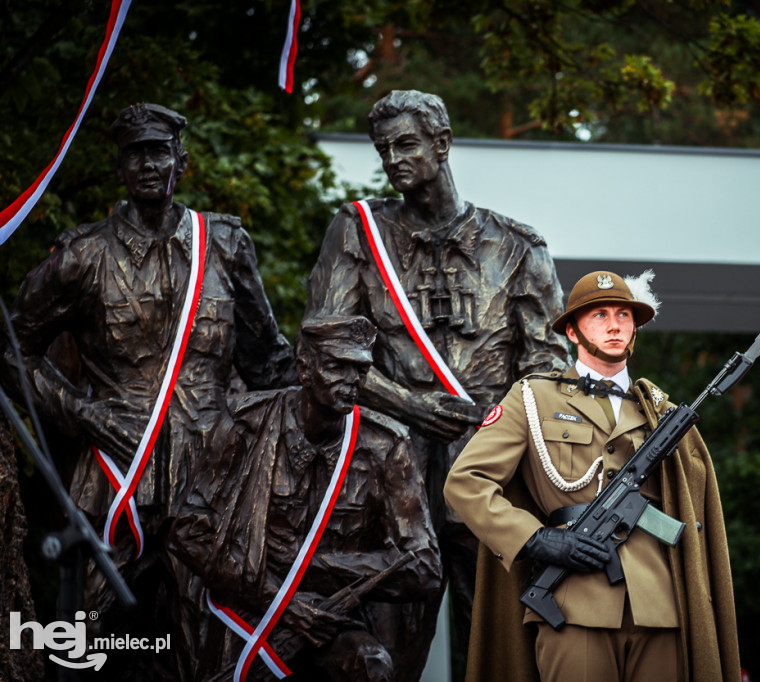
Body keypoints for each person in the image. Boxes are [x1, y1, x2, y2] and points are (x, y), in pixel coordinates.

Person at [3, 103, 297, 679]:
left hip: (210, 480)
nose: (146, 164)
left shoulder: (226, 245)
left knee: (210, 649)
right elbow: (13, 350)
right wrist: (82, 414)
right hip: (114, 475)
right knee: (80, 644)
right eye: (134, 153)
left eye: (158, 151)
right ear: (119, 166)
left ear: (180, 162)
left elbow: (269, 365)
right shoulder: (82, 255)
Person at [304, 89, 569, 675]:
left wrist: (500, 426)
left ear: (441, 145)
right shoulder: (357, 231)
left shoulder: (517, 246)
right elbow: (326, 345)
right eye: (383, 149)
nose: (393, 159)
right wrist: (409, 404)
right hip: (387, 479)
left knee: (500, 653)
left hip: (491, 480)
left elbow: (550, 367)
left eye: (406, 144)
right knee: (384, 657)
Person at [444, 269, 741, 682]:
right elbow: (466, 481)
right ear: (571, 331)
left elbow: (696, 506)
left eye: (624, 314)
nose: (615, 324)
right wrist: (535, 539)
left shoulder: (660, 412)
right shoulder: (533, 397)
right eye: (599, 314)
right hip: (573, 602)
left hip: (659, 603)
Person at [170, 314, 442, 681]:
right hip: (250, 611)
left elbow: (425, 566)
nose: (351, 382)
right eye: (337, 367)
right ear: (304, 367)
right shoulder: (245, 422)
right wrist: (281, 602)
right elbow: (188, 530)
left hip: (334, 620)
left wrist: (318, 566)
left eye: (360, 370)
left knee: (372, 664)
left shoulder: (386, 445)